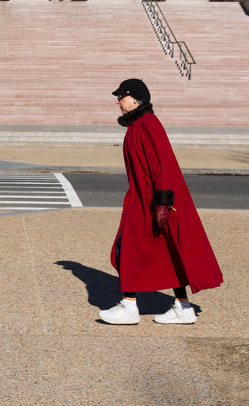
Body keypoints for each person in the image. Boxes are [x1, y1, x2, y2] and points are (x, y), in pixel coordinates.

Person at [99, 78, 223, 326]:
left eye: (121, 96)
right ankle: (182, 307)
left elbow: (163, 164)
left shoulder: (149, 124)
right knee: (163, 251)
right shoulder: (138, 125)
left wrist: (162, 203)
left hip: (150, 201)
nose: (117, 101)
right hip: (142, 199)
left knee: (130, 250)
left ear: (135, 99)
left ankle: (130, 306)